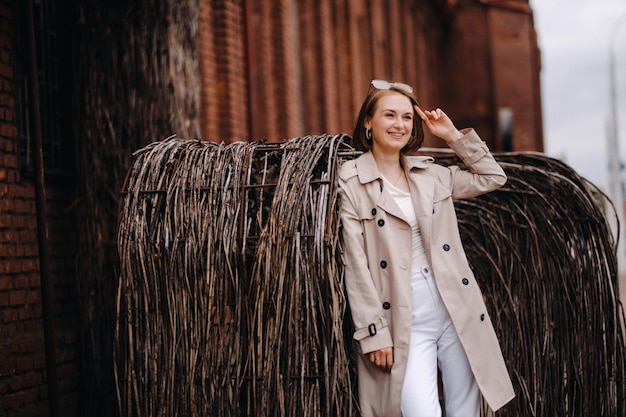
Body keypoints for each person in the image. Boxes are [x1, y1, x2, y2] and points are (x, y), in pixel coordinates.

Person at [338, 80, 515, 417]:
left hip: (453, 303)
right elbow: (355, 264)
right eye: (389, 115)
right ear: (368, 122)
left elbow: (493, 177)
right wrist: (373, 333)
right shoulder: (351, 179)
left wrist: (452, 136)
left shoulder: (431, 175)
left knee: (466, 410)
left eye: (407, 117)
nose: (399, 124)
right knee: (420, 410)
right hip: (402, 311)